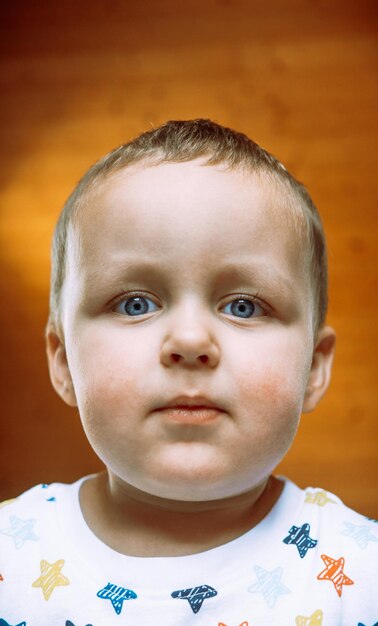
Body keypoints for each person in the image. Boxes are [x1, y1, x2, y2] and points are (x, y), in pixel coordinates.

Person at [0, 120, 376, 626]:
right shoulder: (11, 561)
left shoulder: (361, 575)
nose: (192, 342)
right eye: (135, 303)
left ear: (312, 366)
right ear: (64, 360)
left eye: (243, 306)